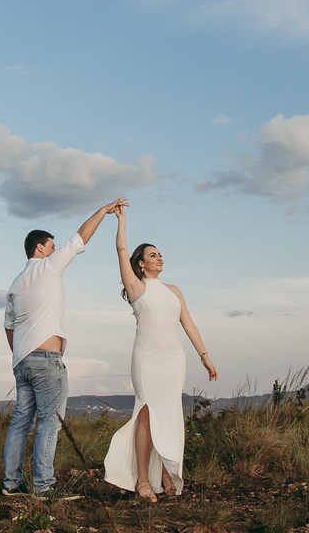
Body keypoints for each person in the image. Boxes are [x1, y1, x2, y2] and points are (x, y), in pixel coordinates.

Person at [2, 197, 127, 497]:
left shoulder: (16, 283)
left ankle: (11, 484)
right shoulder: (47, 267)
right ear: (40, 248)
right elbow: (81, 236)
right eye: (51, 245)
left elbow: (9, 326)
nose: (56, 249)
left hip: (23, 361)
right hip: (46, 360)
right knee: (49, 422)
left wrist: (20, 353)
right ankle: (43, 488)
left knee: (21, 421)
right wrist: (104, 211)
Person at [103, 204, 218, 501]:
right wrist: (121, 221)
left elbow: (189, 324)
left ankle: (166, 471)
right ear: (140, 264)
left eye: (160, 254)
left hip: (173, 360)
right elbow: (120, 249)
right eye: (152, 255)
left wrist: (205, 357)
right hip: (146, 359)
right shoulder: (136, 288)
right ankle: (143, 479)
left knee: (169, 414)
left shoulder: (174, 290)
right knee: (145, 415)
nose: (159, 258)